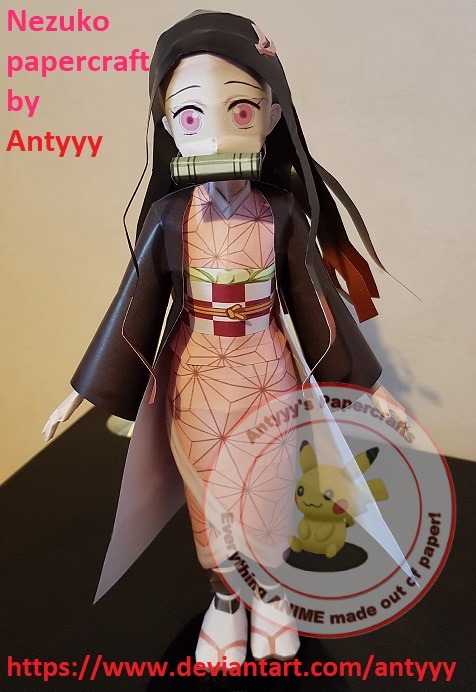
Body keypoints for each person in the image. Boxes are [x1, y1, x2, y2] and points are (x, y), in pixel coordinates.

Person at [44, 11, 406, 665]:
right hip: (197, 377)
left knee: (271, 491)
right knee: (210, 498)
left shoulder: (283, 215)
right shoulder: (169, 219)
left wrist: (363, 386)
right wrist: (88, 389)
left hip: (268, 370)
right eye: (190, 116)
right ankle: (225, 602)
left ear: (270, 116)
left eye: (240, 110)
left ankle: (271, 595)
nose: (214, 132)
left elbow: (317, 304)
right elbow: (133, 305)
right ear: (168, 127)